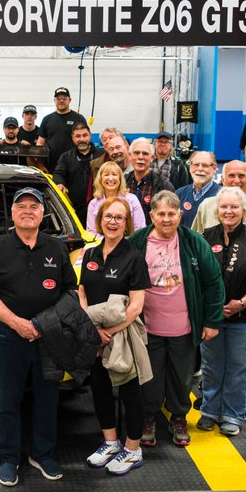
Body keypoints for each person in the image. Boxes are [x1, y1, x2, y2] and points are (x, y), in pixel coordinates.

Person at [0, 186, 78, 486]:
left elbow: (70, 291)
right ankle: (10, 458)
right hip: (9, 337)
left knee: (48, 399)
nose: (27, 210)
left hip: (50, 338)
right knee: (7, 401)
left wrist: (44, 323)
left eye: (34, 206)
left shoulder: (56, 248)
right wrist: (19, 323)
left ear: (42, 213)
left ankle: (42, 454)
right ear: (12, 213)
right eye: (21, 206)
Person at [128, 190, 223, 449]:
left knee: (182, 378)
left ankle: (179, 417)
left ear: (180, 215)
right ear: (152, 216)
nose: (167, 219)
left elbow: (214, 283)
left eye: (172, 213)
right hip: (147, 327)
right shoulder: (137, 242)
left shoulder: (194, 242)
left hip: (184, 326)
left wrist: (212, 321)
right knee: (149, 376)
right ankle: (148, 417)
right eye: (161, 214)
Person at [79, 197, 151, 476]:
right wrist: (92, 330)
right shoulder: (90, 254)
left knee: (131, 392)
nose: (112, 222)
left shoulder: (134, 258)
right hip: (95, 335)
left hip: (123, 334)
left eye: (119, 218)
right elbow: (82, 292)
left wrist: (109, 331)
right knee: (99, 389)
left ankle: (133, 450)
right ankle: (110, 442)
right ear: (100, 220)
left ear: (126, 223)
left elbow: (136, 306)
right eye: (108, 216)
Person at [199, 187, 246, 436]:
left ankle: (232, 414)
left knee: (240, 367)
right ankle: (209, 411)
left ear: (243, 210)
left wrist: (241, 303)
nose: (228, 211)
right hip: (212, 316)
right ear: (217, 210)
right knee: (211, 365)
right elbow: (197, 274)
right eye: (224, 207)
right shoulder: (205, 237)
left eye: (234, 207)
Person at [53, 121, 102, 218]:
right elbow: (58, 173)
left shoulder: (102, 155)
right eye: (78, 136)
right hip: (74, 211)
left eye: (85, 135)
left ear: (90, 135)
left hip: (99, 208)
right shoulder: (66, 157)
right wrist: (59, 183)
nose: (82, 139)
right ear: (72, 138)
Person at [86, 160, 145, 233]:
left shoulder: (132, 200)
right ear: (100, 179)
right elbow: (92, 232)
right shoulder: (93, 204)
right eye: (106, 175)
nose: (110, 178)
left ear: (120, 179)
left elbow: (140, 229)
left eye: (114, 174)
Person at [125, 137, 171, 223]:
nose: (140, 157)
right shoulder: (122, 182)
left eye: (145, 153)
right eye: (136, 153)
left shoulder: (164, 186)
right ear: (130, 156)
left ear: (152, 158)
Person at [38, 86, 85, 169]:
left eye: (64, 98)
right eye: (58, 98)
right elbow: (40, 144)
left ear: (69, 100)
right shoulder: (47, 119)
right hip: (52, 166)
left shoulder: (79, 118)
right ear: (54, 100)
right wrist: (40, 164)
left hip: (75, 166)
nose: (61, 101)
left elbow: (85, 141)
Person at [175, 151, 220, 229]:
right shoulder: (179, 193)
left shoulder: (221, 196)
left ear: (214, 168)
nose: (200, 169)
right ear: (190, 167)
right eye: (196, 165)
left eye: (205, 165)